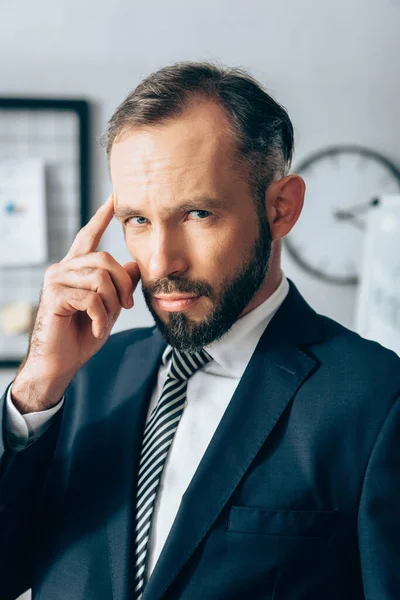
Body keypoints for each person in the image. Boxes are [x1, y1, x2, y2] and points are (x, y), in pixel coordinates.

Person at [1, 61, 400, 600]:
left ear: (282, 208)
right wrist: (34, 389)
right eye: (138, 220)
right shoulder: (78, 381)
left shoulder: (376, 398)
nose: (163, 261)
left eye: (197, 214)